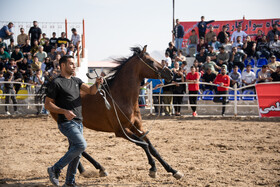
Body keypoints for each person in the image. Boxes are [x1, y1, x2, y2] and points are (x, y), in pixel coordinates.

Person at [45, 55, 103, 187]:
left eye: (74, 63)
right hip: (66, 122)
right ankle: (55, 169)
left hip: (78, 122)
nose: (74, 66)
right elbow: (47, 104)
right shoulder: (56, 83)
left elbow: (91, 91)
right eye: (71, 63)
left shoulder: (77, 80)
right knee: (81, 145)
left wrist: (97, 83)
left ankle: (69, 182)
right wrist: (64, 111)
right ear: (63, 66)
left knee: (76, 152)